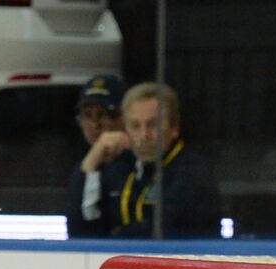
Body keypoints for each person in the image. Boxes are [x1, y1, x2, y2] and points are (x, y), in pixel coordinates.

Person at [75, 81, 221, 239]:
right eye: (135, 126)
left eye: (153, 125)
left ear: (174, 127)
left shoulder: (193, 172)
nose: (144, 135)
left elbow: (165, 228)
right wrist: (89, 164)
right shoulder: (121, 169)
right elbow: (79, 229)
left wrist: (118, 235)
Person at [66, 73, 126, 237]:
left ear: (122, 117)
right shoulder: (84, 167)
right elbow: (76, 231)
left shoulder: (137, 167)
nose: (95, 124)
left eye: (103, 114)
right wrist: (88, 166)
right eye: (87, 115)